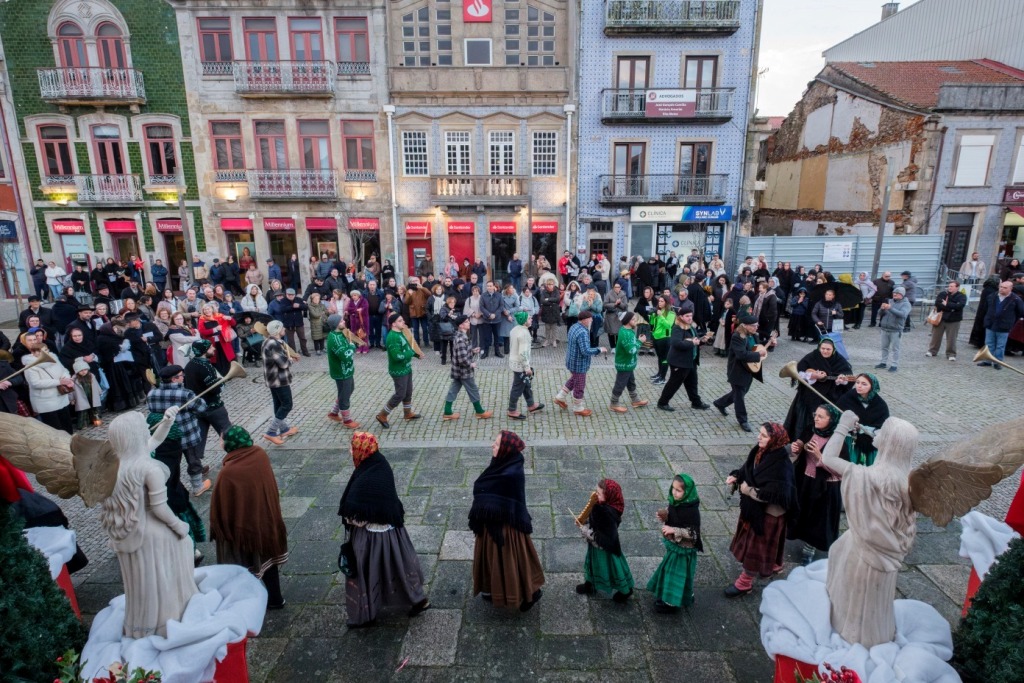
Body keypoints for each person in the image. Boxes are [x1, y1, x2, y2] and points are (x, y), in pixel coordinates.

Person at [99, 410, 197, 638]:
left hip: (131, 533)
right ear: (136, 435)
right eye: (144, 428)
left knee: (141, 582)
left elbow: (153, 442)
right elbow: (161, 508)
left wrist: (167, 422)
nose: (147, 431)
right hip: (153, 531)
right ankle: (168, 620)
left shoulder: (114, 467)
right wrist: (179, 526)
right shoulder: (148, 468)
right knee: (166, 572)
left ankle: (142, 624)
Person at [339, 432, 430, 626]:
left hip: (372, 537)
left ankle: (365, 614)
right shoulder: (379, 464)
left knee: (367, 572)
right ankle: (418, 599)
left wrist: (350, 518)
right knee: (399, 566)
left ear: (362, 450)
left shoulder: (368, 478)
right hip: (393, 534)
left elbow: (358, 517)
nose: (349, 450)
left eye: (352, 447)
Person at [209, 426, 288, 611]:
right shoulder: (259, 454)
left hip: (243, 530)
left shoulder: (228, 473)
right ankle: (275, 599)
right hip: (266, 521)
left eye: (221, 440)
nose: (220, 443)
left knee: (243, 566)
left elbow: (222, 507)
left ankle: (246, 604)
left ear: (231, 444)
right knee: (269, 561)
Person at [469, 430, 545, 610]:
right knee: (491, 560)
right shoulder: (505, 462)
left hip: (505, 530)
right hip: (491, 524)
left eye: (496, 444)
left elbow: (494, 495)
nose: (492, 446)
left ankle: (530, 594)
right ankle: (491, 589)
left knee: (511, 563)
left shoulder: (510, 473)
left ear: (505, 449)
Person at [724, 422, 796, 597]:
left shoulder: (782, 465)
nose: (759, 437)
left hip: (769, 513)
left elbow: (776, 493)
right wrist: (737, 475)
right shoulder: (760, 451)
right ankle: (773, 564)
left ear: (775, 440)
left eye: (764, 435)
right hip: (755, 509)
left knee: (756, 547)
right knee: (766, 544)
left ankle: (745, 582)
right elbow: (748, 467)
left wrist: (747, 490)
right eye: (760, 433)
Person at [787, 404, 847, 565]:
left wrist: (819, 456)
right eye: (816, 414)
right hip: (805, 479)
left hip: (825, 486)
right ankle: (797, 534)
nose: (816, 418)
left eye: (821, 416)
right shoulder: (811, 428)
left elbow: (841, 471)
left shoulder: (838, 441)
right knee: (802, 511)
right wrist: (797, 446)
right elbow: (801, 441)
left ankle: (810, 548)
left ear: (831, 420)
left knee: (819, 518)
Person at [648, 473, 702, 612]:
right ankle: (675, 595)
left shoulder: (691, 511)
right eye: (673, 488)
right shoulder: (676, 503)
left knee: (676, 575)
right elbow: (673, 514)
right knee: (670, 571)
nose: (674, 492)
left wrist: (673, 530)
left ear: (687, 492)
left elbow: (693, 534)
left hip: (684, 550)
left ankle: (672, 604)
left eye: (678, 490)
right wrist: (665, 515)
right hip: (674, 547)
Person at [575, 478, 634, 603]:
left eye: (599, 493)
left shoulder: (606, 512)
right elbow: (596, 522)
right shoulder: (601, 506)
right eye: (596, 491)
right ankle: (590, 585)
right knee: (591, 564)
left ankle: (625, 590)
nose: (596, 495)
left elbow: (606, 537)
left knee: (613, 568)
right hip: (596, 546)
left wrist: (585, 531)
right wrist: (585, 520)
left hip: (605, 549)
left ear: (609, 497)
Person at [781, 337, 851, 439]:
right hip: (810, 396)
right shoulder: (812, 357)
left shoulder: (839, 360)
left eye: (828, 349)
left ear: (833, 350)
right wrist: (812, 376)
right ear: (819, 347)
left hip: (831, 396)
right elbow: (799, 373)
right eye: (823, 348)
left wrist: (842, 380)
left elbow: (847, 376)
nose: (825, 351)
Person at [712, 314, 767, 433]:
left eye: (757, 325)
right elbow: (741, 354)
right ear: (745, 326)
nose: (756, 327)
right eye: (754, 326)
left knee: (741, 392)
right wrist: (758, 355)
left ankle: (720, 403)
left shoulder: (753, 335)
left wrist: (769, 343)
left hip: (749, 369)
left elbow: (756, 346)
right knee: (740, 396)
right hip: (737, 371)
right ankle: (743, 420)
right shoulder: (738, 336)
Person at [183, 339, 233, 458]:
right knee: (228, 433)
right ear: (204, 351)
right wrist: (221, 384)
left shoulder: (189, 365)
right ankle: (236, 456)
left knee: (199, 437)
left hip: (198, 408)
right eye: (210, 348)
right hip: (213, 407)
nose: (214, 349)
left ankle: (196, 465)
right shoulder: (206, 366)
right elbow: (215, 389)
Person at [656, 308, 710, 412]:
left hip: (691, 361)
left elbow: (695, 341)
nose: (690, 318)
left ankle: (696, 403)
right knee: (674, 383)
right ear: (681, 317)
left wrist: (702, 340)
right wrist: (692, 343)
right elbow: (676, 343)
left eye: (690, 315)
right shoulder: (677, 328)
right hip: (679, 362)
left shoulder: (691, 327)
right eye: (687, 316)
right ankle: (662, 402)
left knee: (692, 383)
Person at [553, 311, 606, 417]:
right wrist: (599, 349)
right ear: (584, 319)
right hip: (579, 364)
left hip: (571, 360)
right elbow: (585, 351)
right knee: (579, 385)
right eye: (590, 319)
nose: (591, 320)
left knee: (573, 380)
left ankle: (560, 397)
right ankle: (578, 408)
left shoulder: (574, 326)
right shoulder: (582, 332)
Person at [22, 331, 74, 433]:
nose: (45, 353)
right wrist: (59, 382)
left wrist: (66, 378)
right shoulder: (30, 366)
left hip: (60, 396)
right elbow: (35, 383)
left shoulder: (53, 358)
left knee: (67, 425)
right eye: (41, 352)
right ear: (34, 352)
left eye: (46, 350)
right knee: (55, 429)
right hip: (46, 401)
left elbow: (63, 370)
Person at [376, 314, 422, 429]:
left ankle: (407, 413)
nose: (403, 322)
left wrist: (417, 354)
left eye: (402, 320)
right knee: (400, 394)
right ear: (393, 324)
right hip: (398, 370)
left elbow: (407, 348)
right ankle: (382, 415)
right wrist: (411, 354)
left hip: (406, 367)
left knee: (408, 392)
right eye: (400, 321)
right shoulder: (392, 337)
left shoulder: (401, 332)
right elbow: (397, 356)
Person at [443, 315, 492, 421]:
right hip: (464, 371)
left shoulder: (461, 336)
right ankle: (479, 412)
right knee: (473, 389)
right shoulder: (461, 339)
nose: (469, 323)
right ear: (461, 325)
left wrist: (472, 351)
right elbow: (462, 359)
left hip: (458, 371)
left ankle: (447, 412)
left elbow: (462, 352)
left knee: (453, 390)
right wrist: (471, 364)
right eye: (466, 322)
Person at [837, 373, 889, 466]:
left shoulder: (880, 405)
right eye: (857, 382)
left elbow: (883, 428)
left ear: (872, 387)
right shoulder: (846, 399)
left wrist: (862, 429)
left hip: (870, 444)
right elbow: (836, 417)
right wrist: (849, 426)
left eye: (864, 384)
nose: (859, 386)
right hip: (850, 443)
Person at [262, 320, 299, 445]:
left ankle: (284, 429)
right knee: (287, 405)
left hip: (273, 379)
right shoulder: (273, 344)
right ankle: (271, 432)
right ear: (278, 331)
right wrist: (291, 360)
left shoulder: (270, 341)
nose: (284, 329)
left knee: (278, 405)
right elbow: (283, 364)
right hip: (279, 380)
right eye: (282, 328)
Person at [609, 311, 649, 413]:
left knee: (631, 382)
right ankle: (614, 403)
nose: (635, 321)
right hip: (624, 364)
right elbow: (631, 350)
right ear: (627, 321)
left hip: (629, 364)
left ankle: (635, 400)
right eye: (633, 319)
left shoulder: (629, 330)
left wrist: (637, 340)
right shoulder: (625, 333)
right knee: (620, 384)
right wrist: (640, 341)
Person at [507, 311, 544, 420]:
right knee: (517, 388)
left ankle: (531, 404)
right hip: (520, 366)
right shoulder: (524, 334)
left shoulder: (515, 329)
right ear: (524, 321)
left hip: (514, 362)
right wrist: (527, 368)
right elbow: (523, 353)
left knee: (526, 384)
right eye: (529, 318)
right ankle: (512, 410)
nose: (531, 319)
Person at [980, 279, 1024, 369]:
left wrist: (1011, 321)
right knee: (989, 343)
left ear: (1010, 289)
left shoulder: (1015, 299)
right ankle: (987, 360)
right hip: (990, 324)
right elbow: (985, 308)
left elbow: (1021, 311)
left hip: (1004, 326)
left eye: (1005, 288)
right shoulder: (992, 296)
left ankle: (998, 362)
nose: (1001, 289)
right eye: (1000, 287)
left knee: (1000, 345)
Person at [326, 314, 359, 428]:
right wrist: (352, 347)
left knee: (349, 389)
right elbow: (345, 355)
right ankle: (347, 420)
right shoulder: (334, 338)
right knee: (344, 394)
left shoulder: (340, 334)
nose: (344, 322)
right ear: (335, 324)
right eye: (341, 321)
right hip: (341, 372)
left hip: (347, 370)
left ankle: (334, 413)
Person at [926, 280, 967, 361]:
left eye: (952, 286)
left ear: (957, 287)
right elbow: (938, 303)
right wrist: (951, 307)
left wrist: (947, 304)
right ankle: (932, 351)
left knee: (952, 338)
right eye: (949, 286)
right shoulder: (943, 294)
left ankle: (951, 354)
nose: (950, 287)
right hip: (941, 319)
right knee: (935, 336)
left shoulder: (962, 296)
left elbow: (959, 306)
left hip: (953, 320)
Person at [874, 285, 911, 372]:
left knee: (895, 349)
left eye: (897, 293)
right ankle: (883, 362)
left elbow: (902, 314)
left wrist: (890, 308)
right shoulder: (889, 301)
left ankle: (894, 364)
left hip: (896, 330)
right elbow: (879, 313)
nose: (895, 294)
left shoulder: (906, 304)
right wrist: (882, 309)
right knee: (884, 347)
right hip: (884, 329)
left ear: (902, 295)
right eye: (894, 293)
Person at [197, 304, 237, 374]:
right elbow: (202, 332)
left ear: (212, 309)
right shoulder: (202, 319)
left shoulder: (219, 316)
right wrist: (214, 330)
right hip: (212, 343)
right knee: (215, 359)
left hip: (223, 341)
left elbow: (233, 323)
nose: (207, 311)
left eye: (208, 309)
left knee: (225, 357)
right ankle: (219, 374)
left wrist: (230, 318)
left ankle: (229, 372)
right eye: (205, 310)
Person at [269, 289, 310, 357]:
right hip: (288, 324)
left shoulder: (299, 299)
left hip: (299, 323)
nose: (290, 296)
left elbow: (306, 307)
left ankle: (305, 351)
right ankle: (293, 353)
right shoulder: (283, 301)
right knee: (291, 341)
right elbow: (283, 309)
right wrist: (293, 307)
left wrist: (299, 306)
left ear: (295, 295)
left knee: (302, 338)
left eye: (292, 295)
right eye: (289, 295)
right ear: (286, 294)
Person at [649, 296, 675, 385]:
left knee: (664, 358)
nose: (659, 303)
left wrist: (660, 316)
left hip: (665, 338)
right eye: (659, 301)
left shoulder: (671, 313)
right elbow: (652, 324)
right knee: (660, 357)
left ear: (666, 303)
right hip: (656, 337)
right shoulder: (658, 311)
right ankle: (659, 374)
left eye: (661, 301)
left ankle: (663, 378)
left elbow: (668, 325)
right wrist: (652, 316)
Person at [479, 281, 504, 358]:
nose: (489, 287)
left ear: (494, 286)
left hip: (497, 320)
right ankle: (486, 352)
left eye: (490, 286)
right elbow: (481, 307)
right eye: (488, 286)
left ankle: (497, 352)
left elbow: (501, 306)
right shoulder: (483, 296)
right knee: (487, 337)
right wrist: (489, 314)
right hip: (487, 320)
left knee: (497, 336)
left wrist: (495, 314)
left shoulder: (499, 295)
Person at [539, 280, 562, 347]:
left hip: (554, 311)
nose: (550, 286)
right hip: (546, 311)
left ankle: (554, 340)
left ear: (554, 285)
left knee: (554, 327)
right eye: (549, 284)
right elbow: (542, 301)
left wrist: (548, 299)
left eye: (551, 284)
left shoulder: (556, 291)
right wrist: (552, 301)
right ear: (547, 285)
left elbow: (557, 299)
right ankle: (547, 340)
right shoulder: (544, 291)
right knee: (547, 327)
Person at [306, 291, 327, 356]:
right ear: (312, 299)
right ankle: (317, 349)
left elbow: (326, 312)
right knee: (316, 338)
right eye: (315, 299)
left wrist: (324, 313)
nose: (317, 300)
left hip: (322, 322)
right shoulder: (310, 306)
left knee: (322, 336)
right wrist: (322, 313)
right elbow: (315, 315)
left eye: (318, 299)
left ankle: (322, 348)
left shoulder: (322, 305)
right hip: (315, 324)